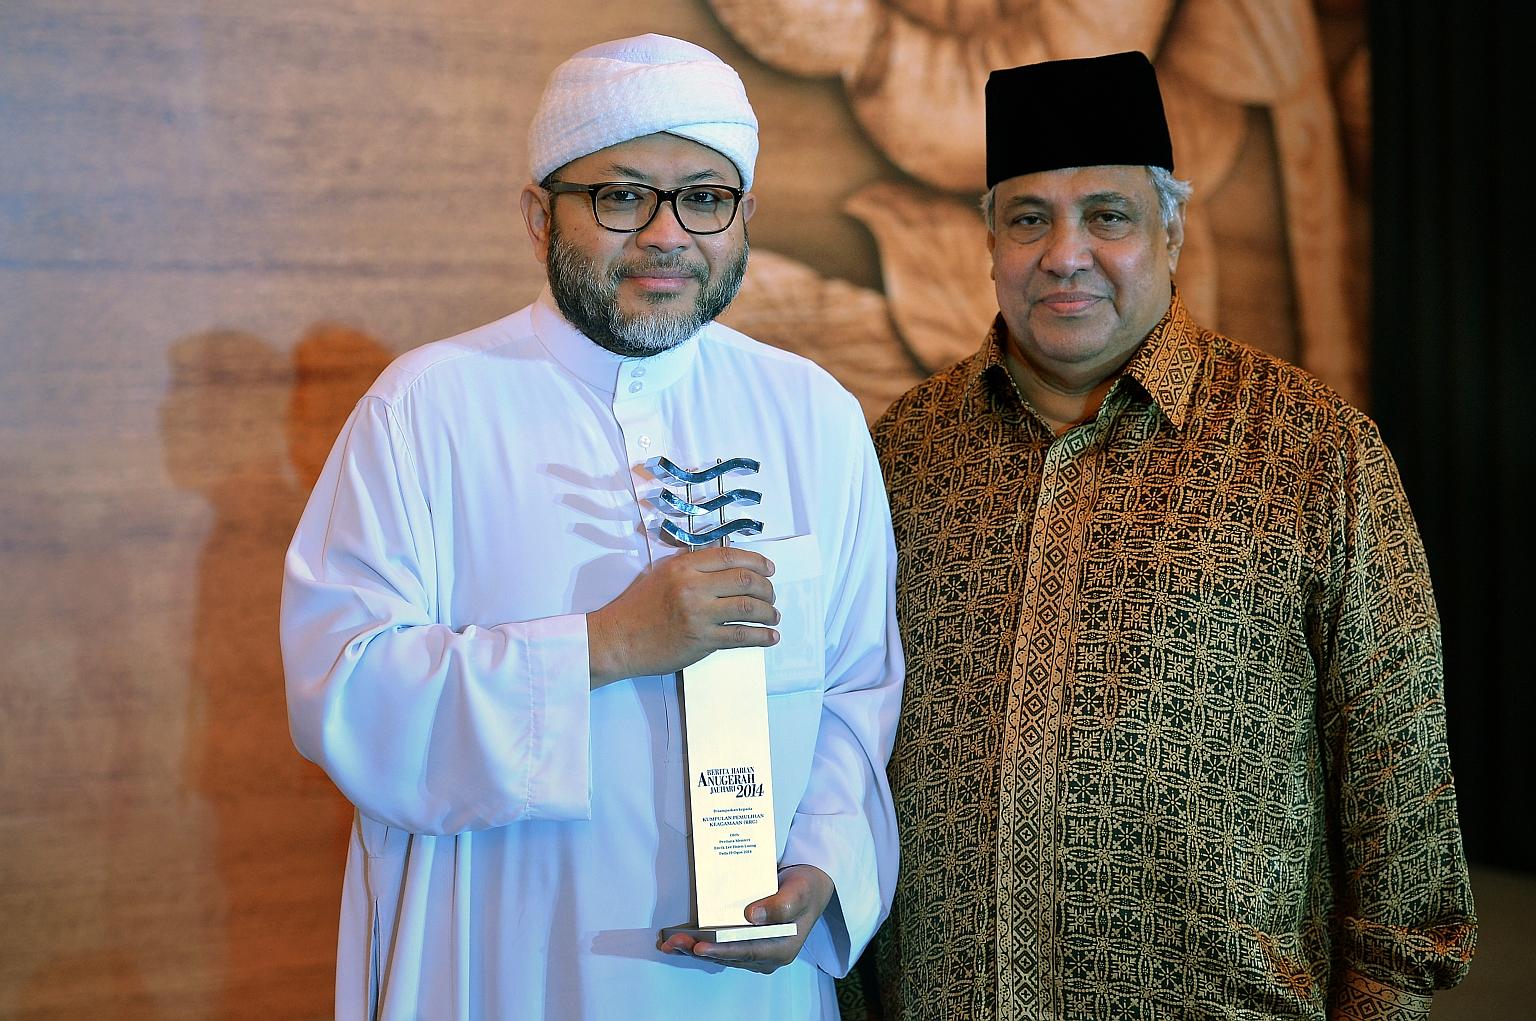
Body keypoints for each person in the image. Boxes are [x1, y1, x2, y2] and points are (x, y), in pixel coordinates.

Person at [280, 34, 902, 1020]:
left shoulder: (814, 414)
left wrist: (822, 866)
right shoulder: (428, 409)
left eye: (704, 197)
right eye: (621, 196)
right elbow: (344, 692)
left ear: (744, 218)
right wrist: (604, 646)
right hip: (505, 968)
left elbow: (858, 694)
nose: (666, 235)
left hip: (748, 990)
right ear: (540, 217)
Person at [861, 51, 1476, 1020]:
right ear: (989, 239)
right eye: (1029, 218)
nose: (1065, 253)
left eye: (1107, 215)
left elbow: (1403, 803)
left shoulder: (1318, 454)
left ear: (1172, 231)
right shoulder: (902, 455)